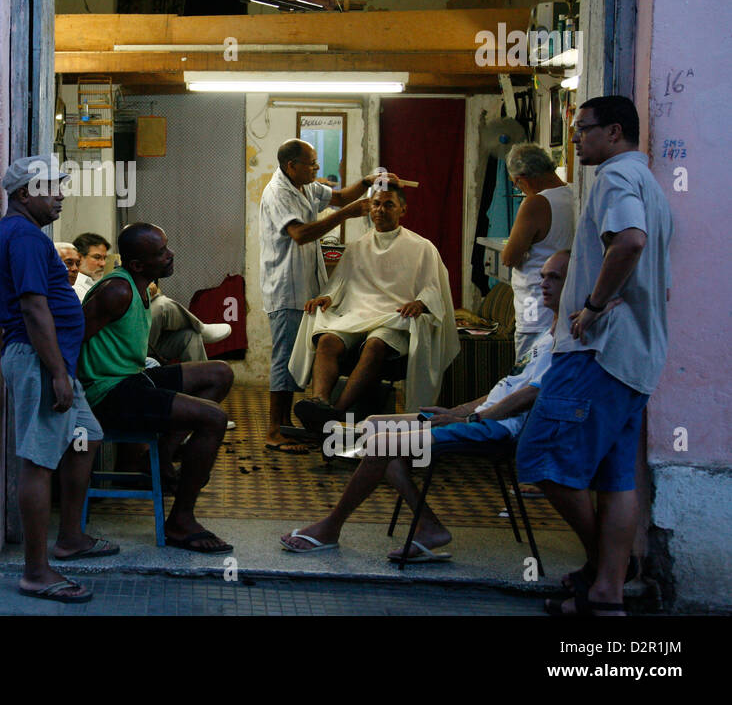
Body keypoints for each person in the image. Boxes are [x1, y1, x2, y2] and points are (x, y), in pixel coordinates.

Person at [281, 249, 570, 561]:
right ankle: (428, 524)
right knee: (373, 425)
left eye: (555, 277)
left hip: (496, 430)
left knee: (379, 446)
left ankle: (330, 527)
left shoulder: (566, 342)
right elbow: (504, 389)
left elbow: (529, 396)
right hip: (481, 418)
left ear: (576, 283)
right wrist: (456, 411)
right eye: (543, 276)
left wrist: (469, 421)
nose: (544, 284)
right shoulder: (545, 335)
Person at [517, 96, 673, 617]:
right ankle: (605, 590)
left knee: (540, 455)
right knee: (614, 478)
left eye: (582, 130)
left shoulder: (613, 178)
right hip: (636, 356)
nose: (575, 139)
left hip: (600, 352)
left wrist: (591, 306)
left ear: (613, 132)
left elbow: (628, 242)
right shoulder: (649, 183)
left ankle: (611, 566)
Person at [0, 156, 118, 604]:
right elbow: (33, 308)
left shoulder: (17, 235)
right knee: (38, 462)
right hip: (42, 361)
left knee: (87, 435)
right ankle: (36, 572)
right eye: (50, 188)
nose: (60, 194)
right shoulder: (22, 237)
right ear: (24, 194)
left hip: (53, 361)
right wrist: (58, 371)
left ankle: (71, 536)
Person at [79, 223, 235, 554]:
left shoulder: (140, 288)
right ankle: (180, 521)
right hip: (109, 393)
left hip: (132, 377)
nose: (170, 255)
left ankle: (161, 457)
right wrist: (69, 397)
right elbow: (73, 339)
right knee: (213, 419)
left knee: (219, 374)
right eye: (161, 252)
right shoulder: (117, 291)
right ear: (137, 264)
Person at [259, 139, 400, 453]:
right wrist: (347, 215)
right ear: (291, 166)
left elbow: (338, 196)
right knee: (284, 360)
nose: (317, 168)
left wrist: (367, 182)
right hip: (286, 287)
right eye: (311, 163)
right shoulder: (278, 193)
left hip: (306, 288)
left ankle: (287, 425)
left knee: (297, 360)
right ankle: (273, 430)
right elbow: (300, 234)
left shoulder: (305, 185)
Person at [289, 186, 460, 432]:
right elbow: (340, 284)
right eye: (376, 204)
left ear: (403, 209)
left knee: (375, 345)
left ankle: (336, 412)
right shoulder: (358, 246)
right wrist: (326, 297)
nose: (380, 210)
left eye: (388, 204)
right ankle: (320, 402)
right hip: (357, 313)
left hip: (393, 317)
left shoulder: (422, 247)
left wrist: (420, 302)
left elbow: (434, 289)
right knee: (327, 340)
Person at [73, 232, 231, 361]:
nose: (102, 263)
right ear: (80, 258)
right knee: (162, 305)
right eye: (96, 257)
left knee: (189, 337)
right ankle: (201, 327)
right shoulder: (80, 286)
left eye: (104, 258)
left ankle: (195, 392)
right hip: (117, 345)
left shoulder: (102, 280)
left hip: (133, 338)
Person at [501, 143, 576, 358]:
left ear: (522, 178)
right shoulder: (573, 195)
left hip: (535, 306)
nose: (520, 189)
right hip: (561, 306)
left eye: (517, 185)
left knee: (527, 376)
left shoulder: (536, 203)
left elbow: (509, 257)